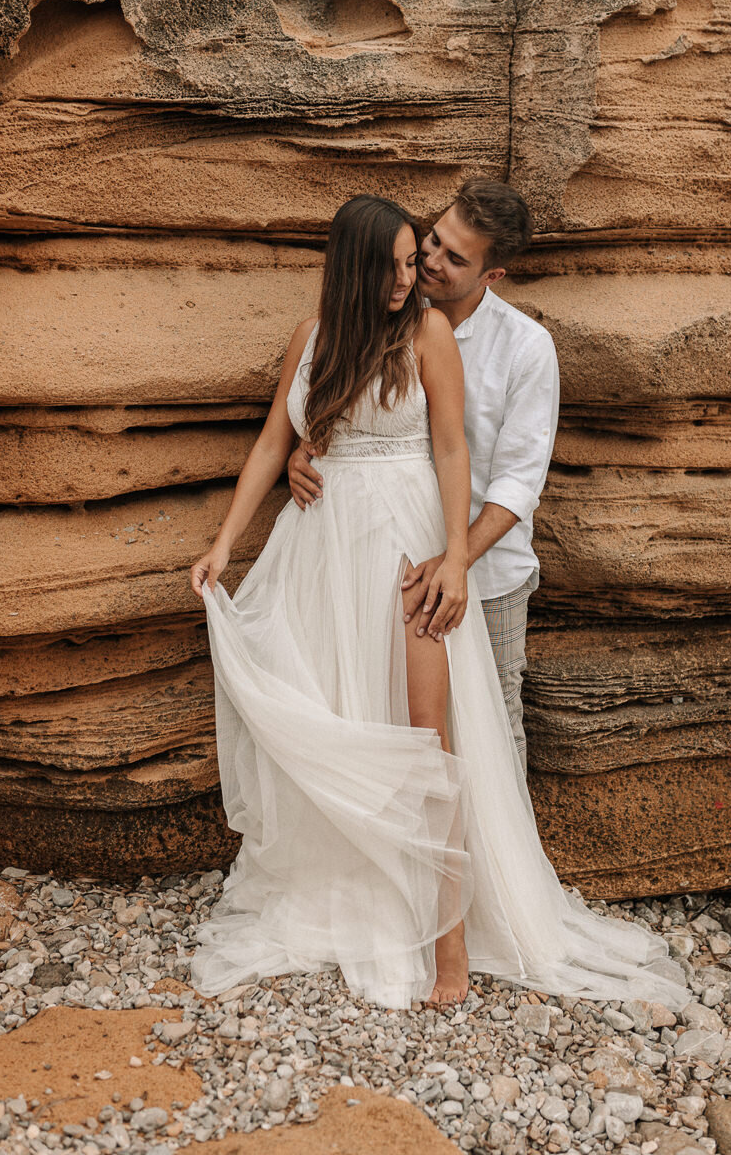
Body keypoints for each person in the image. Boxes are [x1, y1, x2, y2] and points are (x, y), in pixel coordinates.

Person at [188, 193, 689, 1015]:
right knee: (345, 710)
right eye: (411, 255)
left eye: (433, 259)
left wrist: (451, 558)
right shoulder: (318, 340)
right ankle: (363, 890)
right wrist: (229, 537)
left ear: (490, 271)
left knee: (446, 740)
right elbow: (278, 439)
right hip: (327, 554)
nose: (417, 271)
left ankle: (457, 930)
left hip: (420, 554)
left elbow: (463, 455)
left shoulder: (467, 341)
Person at [289, 178, 555, 772]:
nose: (431, 262)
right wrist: (305, 450)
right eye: (433, 240)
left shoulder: (526, 349)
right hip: (395, 566)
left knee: (492, 728)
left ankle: (498, 864)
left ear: (493, 275)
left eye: (455, 258)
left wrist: (457, 561)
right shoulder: (387, 318)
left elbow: (518, 482)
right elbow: (350, 411)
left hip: (488, 577)